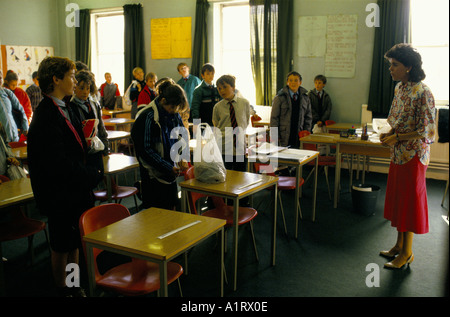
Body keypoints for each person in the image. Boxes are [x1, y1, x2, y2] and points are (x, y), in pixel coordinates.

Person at [27, 56, 103, 297]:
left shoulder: (66, 106)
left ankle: (73, 285)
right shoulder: (46, 115)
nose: (75, 80)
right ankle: (63, 289)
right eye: (70, 76)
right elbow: (58, 163)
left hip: (74, 191)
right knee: (62, 244)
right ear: (56, 79)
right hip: (59, 193)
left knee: (74, 242)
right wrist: (91, 175)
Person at [379, 43, 436, 269]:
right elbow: (396, 120)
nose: (391, 69)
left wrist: (398, 138)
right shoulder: (400, 88)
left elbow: (427, 131)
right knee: (399, 199)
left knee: (410, 202)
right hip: (399, 153)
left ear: (409, 67)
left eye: (395, 65)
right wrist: (390, 134)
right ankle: (399, 245)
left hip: (414, 156)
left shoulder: (424, 92)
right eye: (390, 65)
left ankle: (407, 253)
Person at [131, 78, 189, 210]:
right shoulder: (147, 117)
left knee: (171, 209)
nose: (175, 110)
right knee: (155, 215)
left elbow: (182, 136)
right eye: (173, 107)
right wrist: (167, 167)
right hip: (152, 176)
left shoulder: (174, 114)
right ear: (163, 101)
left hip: (170, 172)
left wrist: (181, 156)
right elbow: (145, 150)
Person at [70, 70, 109, 161]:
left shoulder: (94, 104)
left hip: (97, 149)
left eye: (88, 88)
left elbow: (101, 128)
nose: (85, 92)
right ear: (75, 88)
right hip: (82, 152)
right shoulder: (71, 106)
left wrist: (106, 149)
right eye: (81, 88)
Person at [270, 71, 312, 148]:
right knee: (284, 157)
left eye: (296, 80)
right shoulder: (280, 97)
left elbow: (308, 118)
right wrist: (275, 136)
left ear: (300, 82)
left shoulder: (306, 98)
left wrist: (306, 133)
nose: (293, 83)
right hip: (284, 135)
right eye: (291, 80)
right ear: (287, 82)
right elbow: (274, 118)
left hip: (299, 134)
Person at [0, 70, 28, 143]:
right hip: (2, 141)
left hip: (14, 138)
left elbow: (21, 110)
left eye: (0, 78)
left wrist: (25, 128)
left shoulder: (7, 92)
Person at [191, 63, 221, 127]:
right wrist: (196, 123)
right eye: (208, 74)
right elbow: (195, 107)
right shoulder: (198, 90)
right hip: (204, 121)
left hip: (217, 121)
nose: (211, 76)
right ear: (202, 75)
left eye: (212, 74)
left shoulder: (217, 88)